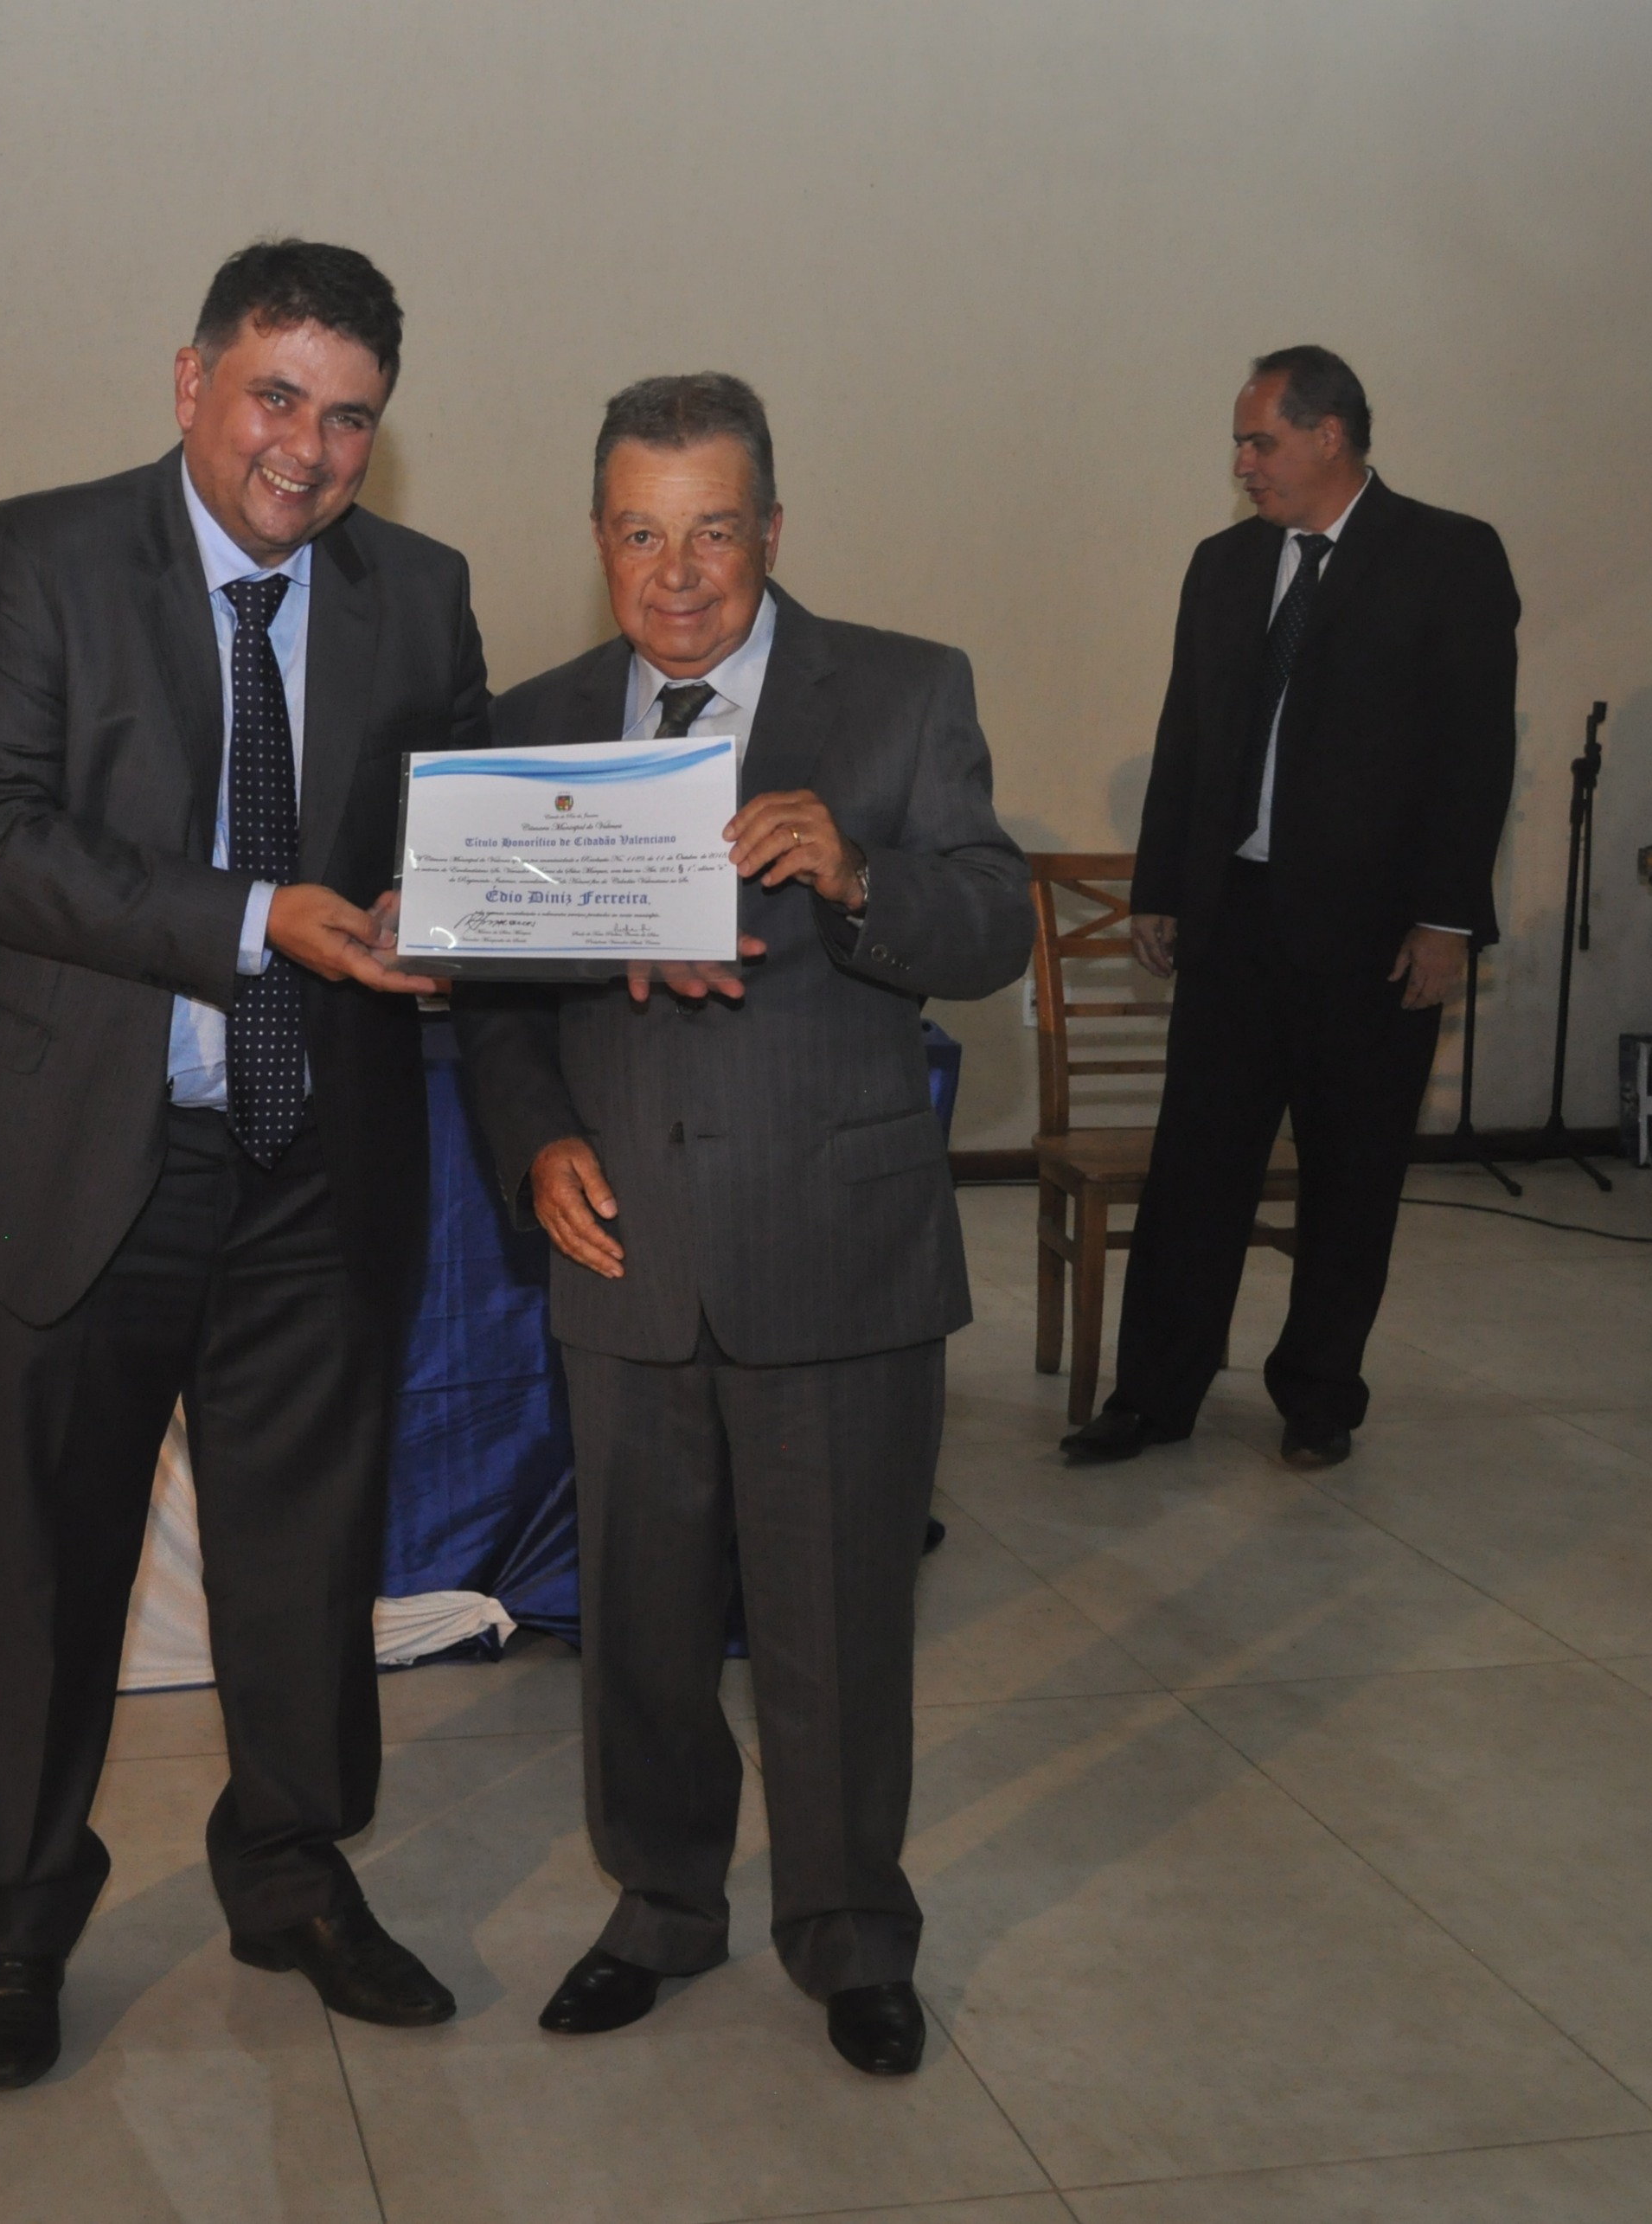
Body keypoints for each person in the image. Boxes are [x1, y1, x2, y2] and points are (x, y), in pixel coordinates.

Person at [0, 240, 490, 2091]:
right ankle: (17, 1921)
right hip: (84, 1160)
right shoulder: (36, 560)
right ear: (190, 381)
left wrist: (479, 910)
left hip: (320, 1161)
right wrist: (258, 919)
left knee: (304, 1563)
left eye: (350, 418)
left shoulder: (421, 593)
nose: (306, 451)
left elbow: (452, 840)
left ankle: (292, 1877)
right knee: (48, 1576)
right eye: (275, 397)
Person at [452, 375, 1034, 2077]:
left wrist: (856, 875)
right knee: (636, 1632)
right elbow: (493, 998)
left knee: (836, 1629)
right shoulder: (537, 726)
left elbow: (990, 922)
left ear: (770, 529)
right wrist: (536, 1141)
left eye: (712, 530)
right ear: (597, 538)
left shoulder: (903, 691)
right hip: (623, 1247)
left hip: (833, 1245)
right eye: (642, 533)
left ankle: (850, 1929)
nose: (678, 573)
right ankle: (660, 1906)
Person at [1062, 346, 1520, 1471]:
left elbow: (1474, 752)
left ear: (1330, 436)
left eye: (1259, 441)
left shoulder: (1446, 555)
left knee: (1351, 1175)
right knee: (1195, 1169)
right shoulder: (1223, 565)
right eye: (1240, 443)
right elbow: (1186, 730)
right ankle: (1153, 1393)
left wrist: (1446, 918)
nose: (1242, 463)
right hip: (1235, 920)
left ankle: (1319, 1396)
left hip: (1375, 935)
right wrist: (1160, 883)